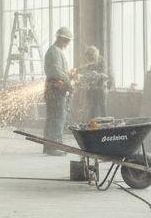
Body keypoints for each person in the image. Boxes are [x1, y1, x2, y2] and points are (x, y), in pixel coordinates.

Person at [42, 26, 73, 156]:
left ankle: (50, 146)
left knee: (54, 117)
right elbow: (56, 71)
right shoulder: (54, 51)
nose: (67, 44)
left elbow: (60, 71)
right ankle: (54, 146)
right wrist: (68, 81)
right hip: (55, 89)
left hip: (54, 88)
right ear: (60, 38)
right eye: (66, 41)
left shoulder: (56, 51)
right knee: (57, 117)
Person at [74, 45, 109, 122]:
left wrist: (94, 75)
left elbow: (104, 75)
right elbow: (84, 68)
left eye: (91, 58)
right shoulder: (90, 60)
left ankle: (105, 125)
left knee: (102, 108)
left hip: (101, 88)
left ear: (94, 55)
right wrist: (79, 71)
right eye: (89, 58)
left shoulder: (102, 61)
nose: (90, 60)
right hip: (92, 88)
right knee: (93, 109)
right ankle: (94, 126)